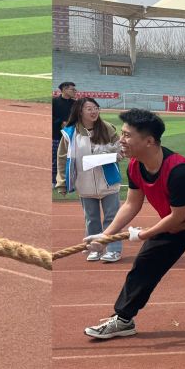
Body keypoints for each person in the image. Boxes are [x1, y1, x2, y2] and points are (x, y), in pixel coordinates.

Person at [81, 109, 185, 347]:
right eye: (122, 134)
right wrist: (106, 235)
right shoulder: (135, 166)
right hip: (176, 218)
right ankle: (124, 319)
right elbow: (132, 203)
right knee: (145, 263)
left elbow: (178, 217)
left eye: (127, 135)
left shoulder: (179, 171)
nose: (121, 140)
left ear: (149, 141)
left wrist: (144, 234)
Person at [66, 98, 126, 262]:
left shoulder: (107, 128)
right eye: (89, 108)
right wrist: (63, 181)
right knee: (91, 219)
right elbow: (64, 157)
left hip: (108, 180)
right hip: (84, 182)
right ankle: (95, 248)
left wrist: (114, 154)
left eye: (96, 108)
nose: (94, 111)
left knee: (112, 217)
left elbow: (121, 148)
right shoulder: (71, 132)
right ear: (80, 111)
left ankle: (113, 250)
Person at [52, 82, 78, 191]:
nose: (75, 91)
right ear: (64, 90)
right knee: (55, 159)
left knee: (71, 159)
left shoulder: (75, 104)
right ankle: (54, 181)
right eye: (72, 89)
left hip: (72, 136)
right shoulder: (54, 102)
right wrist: (61, 122)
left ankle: (69, 181)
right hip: (56, 135)